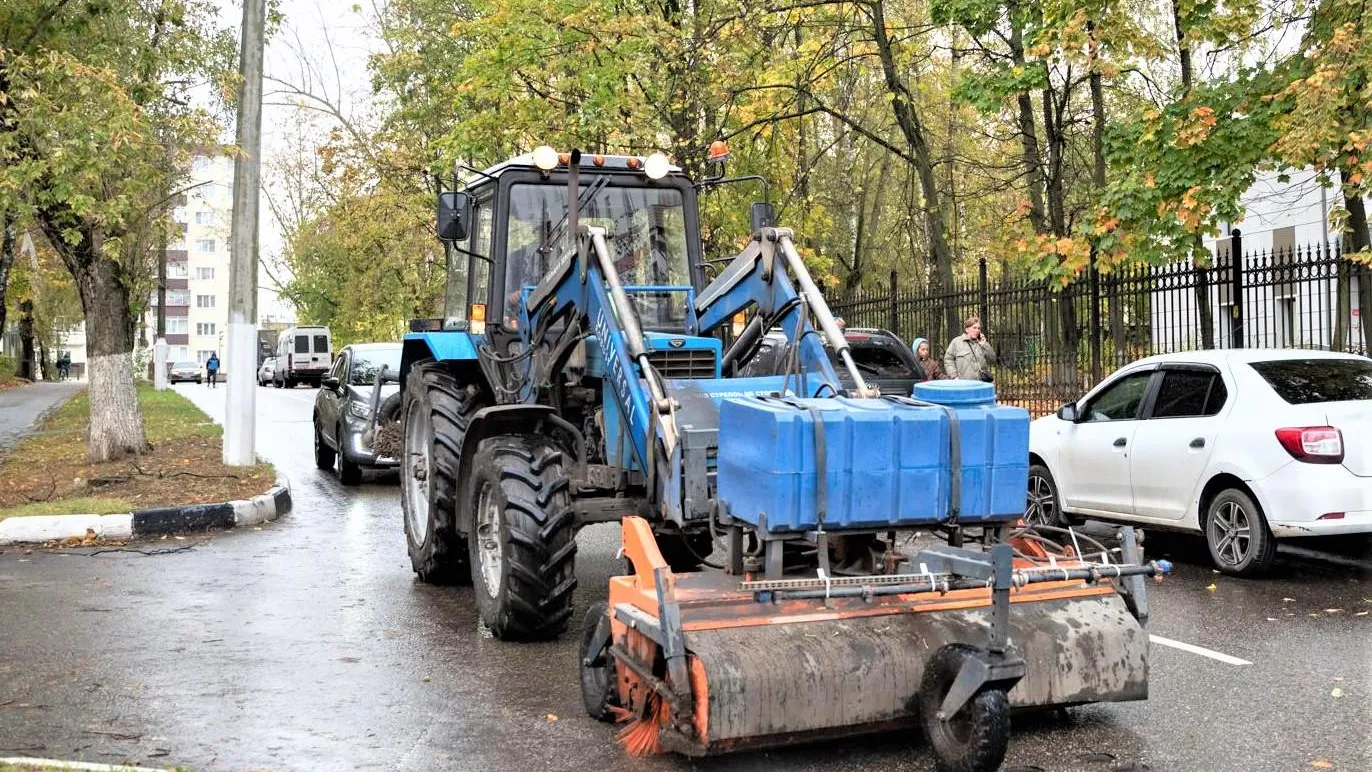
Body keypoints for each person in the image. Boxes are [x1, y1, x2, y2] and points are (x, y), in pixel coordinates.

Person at [943, 315, 995, 382]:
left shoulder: (982, 343)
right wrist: (954, 376)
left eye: (978, 328)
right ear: (967, 329)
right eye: (974, 328)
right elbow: (948, 360)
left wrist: (984, 345)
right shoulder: (956, 342)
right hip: (963, 384)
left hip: (980, 383)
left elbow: (993, 359)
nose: (977, 330)